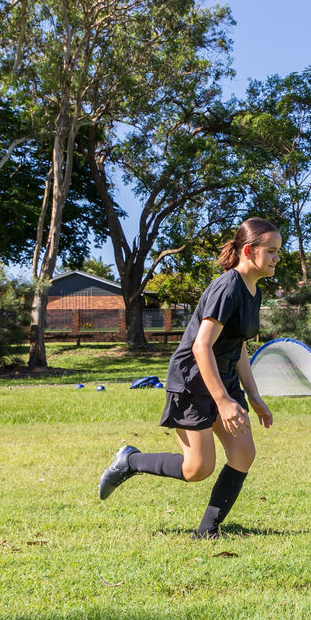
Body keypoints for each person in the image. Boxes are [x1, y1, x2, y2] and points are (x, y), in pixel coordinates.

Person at [98, 217, 281, 536]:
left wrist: (253, 396)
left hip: (223, 379)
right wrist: (222, 401)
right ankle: (130, 461)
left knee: (243, 453)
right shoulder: (228, 287)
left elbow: (237, 348)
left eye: (279, 251)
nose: (277, 258)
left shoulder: (254, 292)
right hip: (193, 381)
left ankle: (207, 530)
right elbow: (201, 346)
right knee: (197, 468)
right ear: (249, 251)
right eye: (272, 251)